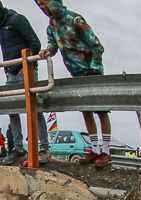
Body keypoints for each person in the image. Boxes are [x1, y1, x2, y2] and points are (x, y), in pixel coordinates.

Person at [35, 0, 112, 168]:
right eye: (39, 5)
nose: (42, 8)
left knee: (101, 110)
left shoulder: (75, 20)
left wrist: (94, 68)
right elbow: (53, 44)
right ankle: (95, 149)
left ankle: (106, 151)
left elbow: (97, 46)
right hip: (76, 73)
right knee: (86, 110)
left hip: (91, 71)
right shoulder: (52, 25)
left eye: (44, 3)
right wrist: (48, 51)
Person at [0, 0, 52, 166]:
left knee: (35, 109)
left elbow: (35, 43)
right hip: (10, 73)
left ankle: (44, 148)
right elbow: (5, 50)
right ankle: (18, 148)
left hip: (26, 71)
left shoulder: (17, 19)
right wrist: (6, 69)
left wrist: (28, 65)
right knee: (12, 110)